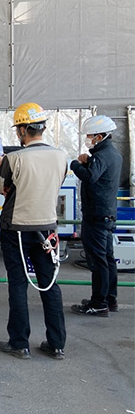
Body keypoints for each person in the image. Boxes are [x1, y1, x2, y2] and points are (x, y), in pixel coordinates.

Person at [0, 103, 67, 360]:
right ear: (42, 128)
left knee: (18, 284)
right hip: (47, 229)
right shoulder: (61, 156)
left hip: (17, 229)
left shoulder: (13, 159)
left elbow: (3, 188)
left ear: (23, 130)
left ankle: (19, 343)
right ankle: (56, 344)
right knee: (50, 285)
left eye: (18, 130)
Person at [69, 115, 123, 317]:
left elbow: (91, 177)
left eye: (90, 135)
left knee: (98, 261)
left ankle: (98, 303)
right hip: (107, 214)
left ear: (100, 136)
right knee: (107, 259)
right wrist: (88, 160)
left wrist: (75, 165)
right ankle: (110, 299)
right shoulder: (112, 154)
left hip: (96, 216)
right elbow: (98, 175)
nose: (88, 138)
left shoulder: (102, 156)